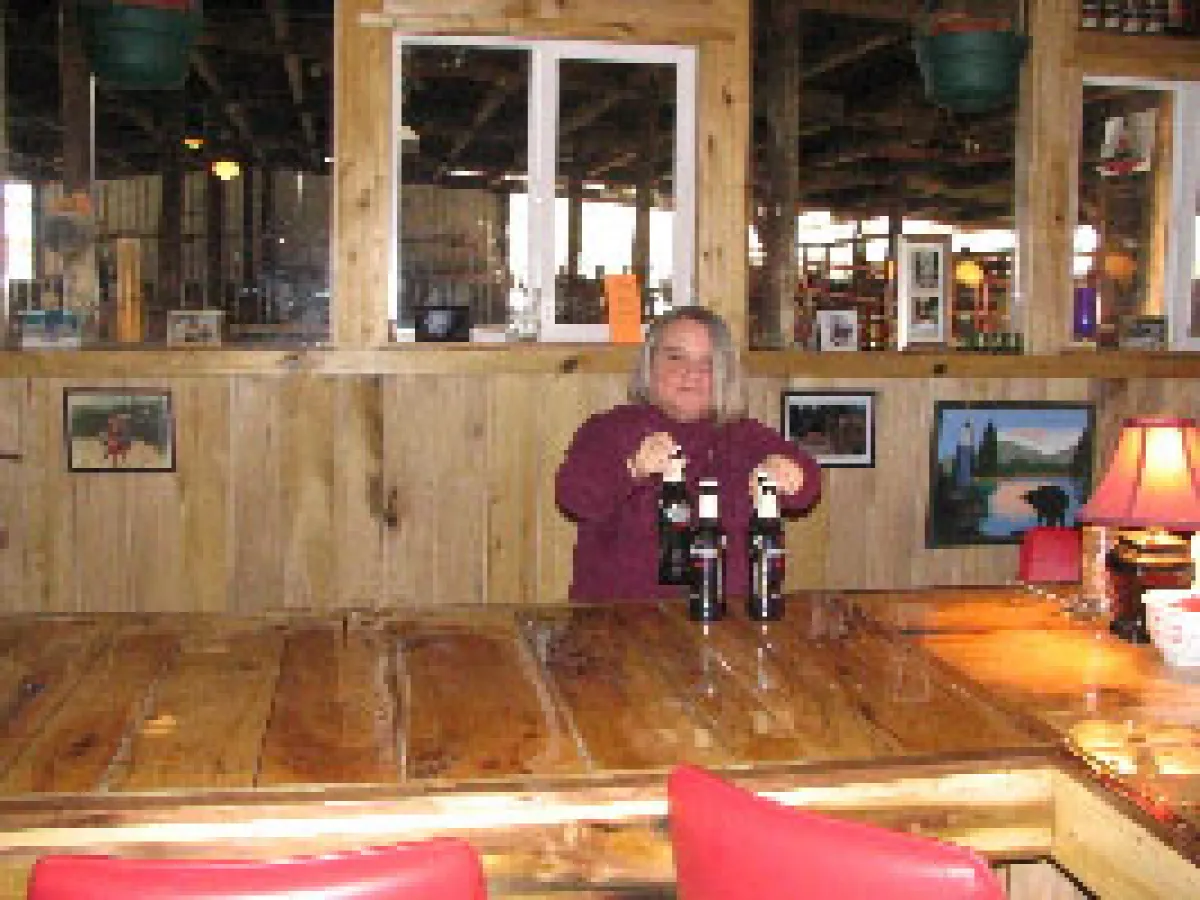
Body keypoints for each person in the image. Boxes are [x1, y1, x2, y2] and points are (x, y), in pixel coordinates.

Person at [556, 307, 821, 601]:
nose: (691, 373)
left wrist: (788, 475)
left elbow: (807, 487)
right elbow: (574, 498)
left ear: (724, 375)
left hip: (727, 615)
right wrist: (633, 469)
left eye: (708, 362)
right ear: (650, 365)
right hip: (621, 617)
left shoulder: (744, 435)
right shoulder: (609, 429)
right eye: (675, 357)